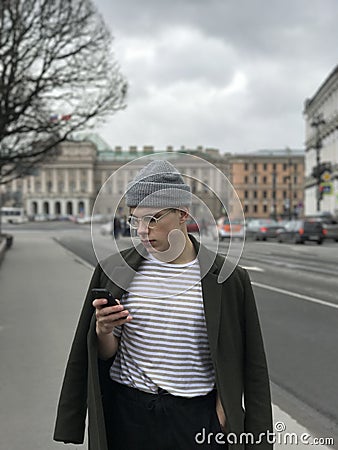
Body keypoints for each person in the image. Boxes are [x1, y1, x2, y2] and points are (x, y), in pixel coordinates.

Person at [53, 160, 273, 450]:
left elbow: (250, 363)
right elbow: (107, 353)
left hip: (195, 420)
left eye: (153, 218)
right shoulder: (115, 271)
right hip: (129, 415)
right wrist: (103, 330)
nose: (143, 230)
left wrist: (225, 413)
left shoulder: (228, 279)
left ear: (183, 213)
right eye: (135, 219)